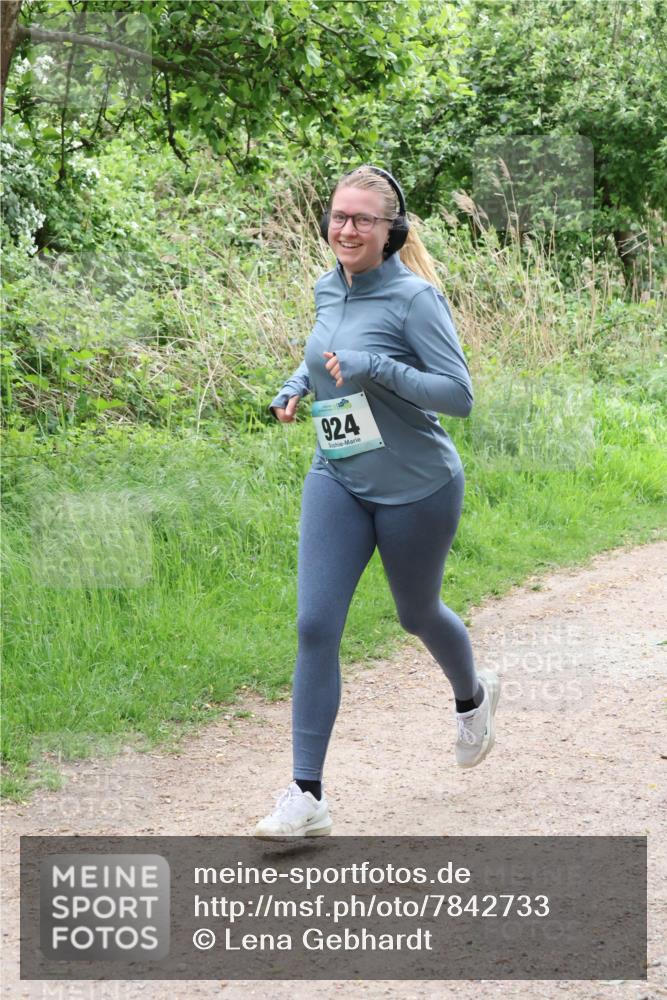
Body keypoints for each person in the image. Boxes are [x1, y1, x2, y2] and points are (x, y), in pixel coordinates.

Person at [254, 165, 500, 839]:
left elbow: (459, 396)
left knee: (415, 612)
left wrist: (378, 370)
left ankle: (472, 695)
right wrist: (294, 383)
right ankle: (306, 794)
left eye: (362, 219)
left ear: (391, 229)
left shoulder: (415, 299)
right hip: (336, 470)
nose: (346, 229)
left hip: (416, 484)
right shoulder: (325, 286)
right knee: (313, 625)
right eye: (337, 215)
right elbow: (325, 353)